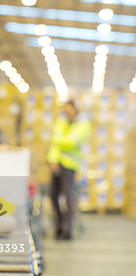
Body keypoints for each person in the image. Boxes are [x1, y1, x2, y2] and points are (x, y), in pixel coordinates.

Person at [47, 100, 91, 240]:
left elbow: (71, 142)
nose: (67, 112)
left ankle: (67, 230)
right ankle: (59, 225)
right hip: (56, 164)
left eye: (69, 110)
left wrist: (59, 139)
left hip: (69, 166)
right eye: (65, 110)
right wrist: (53, 160)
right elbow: (55, 142)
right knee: (53, 197)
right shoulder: (62, 121)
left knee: (68, 199)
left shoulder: (84, 124)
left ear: (76, 109)